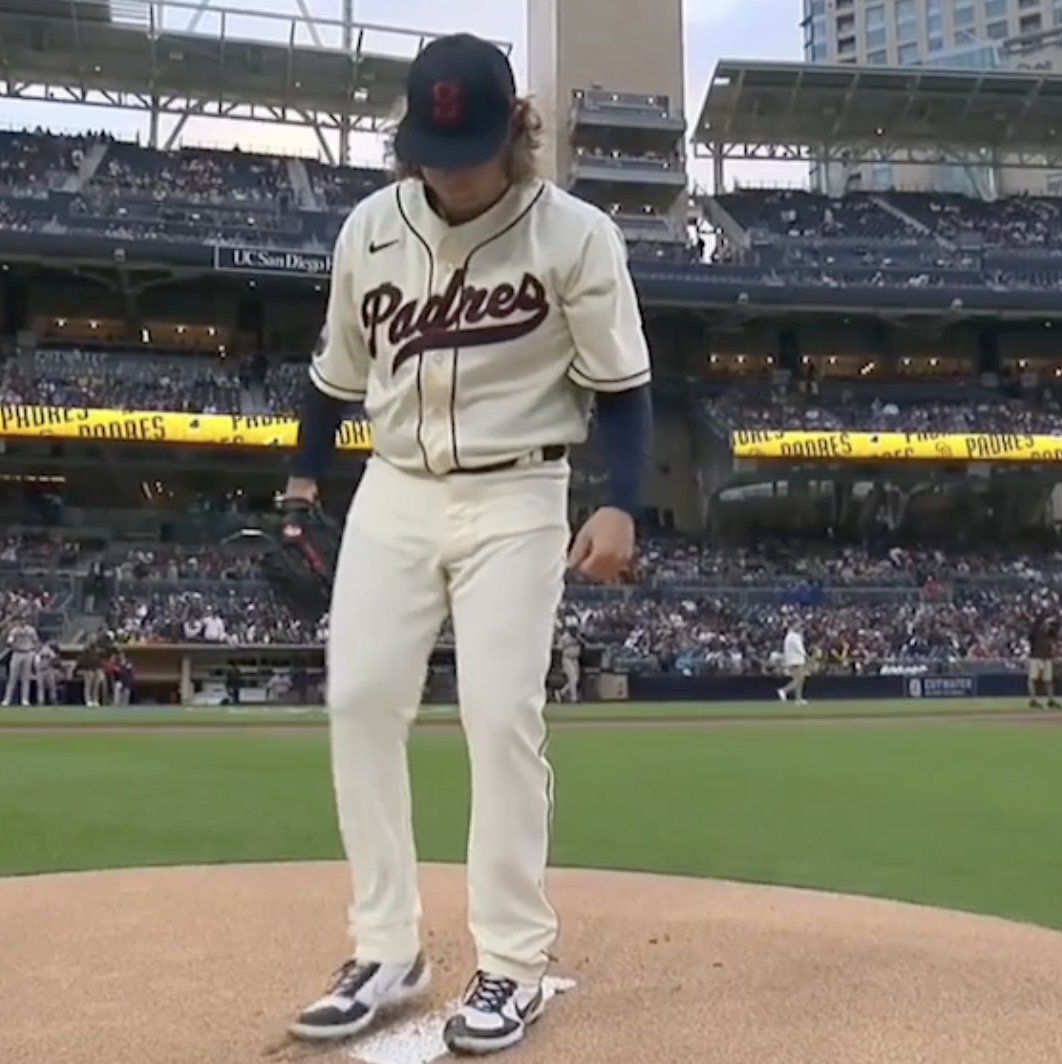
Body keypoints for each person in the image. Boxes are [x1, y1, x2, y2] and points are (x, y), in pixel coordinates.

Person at [284, 33, 652, 1056]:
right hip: (395, 487)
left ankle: (514, 962)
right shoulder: (370, 228)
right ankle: (387, 947)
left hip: (518, 490)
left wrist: (623, 504)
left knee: (499, 714)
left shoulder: (574, 236)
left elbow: (622, 388)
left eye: (471, 143)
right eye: (434, 144)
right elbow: (332, 377)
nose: (450, 164)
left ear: (516, 134)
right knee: (357, 698)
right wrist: (299, 483)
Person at [1, 614, 40, 707]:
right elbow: (9, 642)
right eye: (21, 620)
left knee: (26, 678)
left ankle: (24, 699)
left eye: (24, 619)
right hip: (17, 653)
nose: (23, 621)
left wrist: (35, 653)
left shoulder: (31, 630)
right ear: (18, 621)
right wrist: (13, 645)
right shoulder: (14, 630)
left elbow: (36, 641)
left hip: (28, 653)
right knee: (12, 677)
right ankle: (7, 699)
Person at [1026, 612, 1059, 710]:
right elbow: (1030, 638)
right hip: (1036, 657)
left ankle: (1050, 700)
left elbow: (1054, 635)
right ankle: (1033, 700)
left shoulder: (1050, 632)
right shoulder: (1035, 631)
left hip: (1046, 657)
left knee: (1048, 680)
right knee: (1034, 679)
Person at [778, 621, 809, 704]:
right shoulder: (794, 636)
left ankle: (798, 699)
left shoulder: (790, 636)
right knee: (799, 679)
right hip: (796, 660)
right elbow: (799, 648)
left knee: (800, 680)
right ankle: (784, 690)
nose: (799, 627)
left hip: (792, 660)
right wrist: (805, 655)